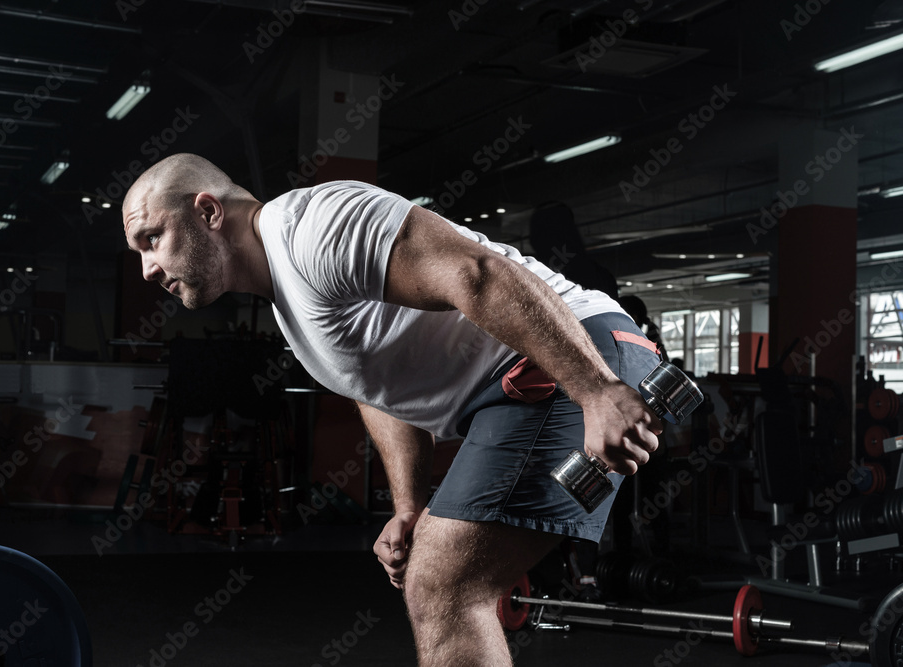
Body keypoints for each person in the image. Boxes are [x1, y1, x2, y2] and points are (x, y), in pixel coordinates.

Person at [122, 153, 663, 666]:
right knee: (438, 577)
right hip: (528, 384)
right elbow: (381, 386)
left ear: (209, 211)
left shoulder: (310, 227)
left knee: (445, 584)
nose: (147, 269)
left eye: (153, 238)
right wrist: (410, 507)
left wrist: (598, 390)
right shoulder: (289, 295)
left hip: (573, 356)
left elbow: (477, 272)